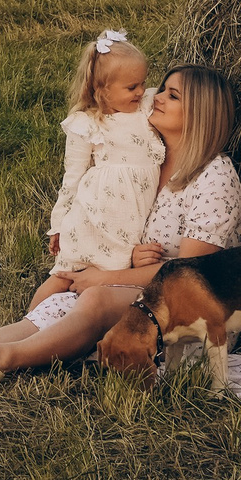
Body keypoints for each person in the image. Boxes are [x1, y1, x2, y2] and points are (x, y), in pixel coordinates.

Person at [0, 64, 241, 390]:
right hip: (144, 288)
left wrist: (105, 278)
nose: (156, 97)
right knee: (60, 299)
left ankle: (0, 361)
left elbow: (191, 275)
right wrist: (128, 255)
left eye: (172, 95)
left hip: (193, 313)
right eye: (162, 90)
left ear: (202, 113)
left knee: (95, 295)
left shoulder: (215, 176)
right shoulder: (150, 164)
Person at [27, 30, 163, 314]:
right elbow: (72, 178)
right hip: (92, 216)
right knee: (64, 274)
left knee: (113, 279)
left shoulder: (145, 109)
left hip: (129, 223)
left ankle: (79, 326)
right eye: (131, 87)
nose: (140, 91)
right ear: (102, 91)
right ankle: (27, 321)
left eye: (143, 83)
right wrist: (59, 225)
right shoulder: (87, 123)